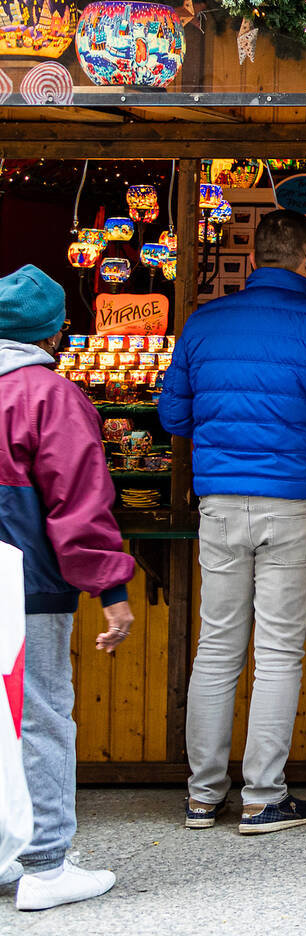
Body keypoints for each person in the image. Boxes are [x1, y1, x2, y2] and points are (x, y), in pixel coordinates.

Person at [159, 208, 306, 836]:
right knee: (277, 652)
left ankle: (201, 796)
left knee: (216, 648)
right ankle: (263, 797)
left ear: (252, 260)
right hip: (297, 500)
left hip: (219, 500)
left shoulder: (204, 323)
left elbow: (173, 416)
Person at [0, 265, 135, 912]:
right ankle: (46, 864)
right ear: (54, 331)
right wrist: (111, 588)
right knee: (41, 717)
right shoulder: (48, 395)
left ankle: (6, 854)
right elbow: (78, 504)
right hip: (24, 585)